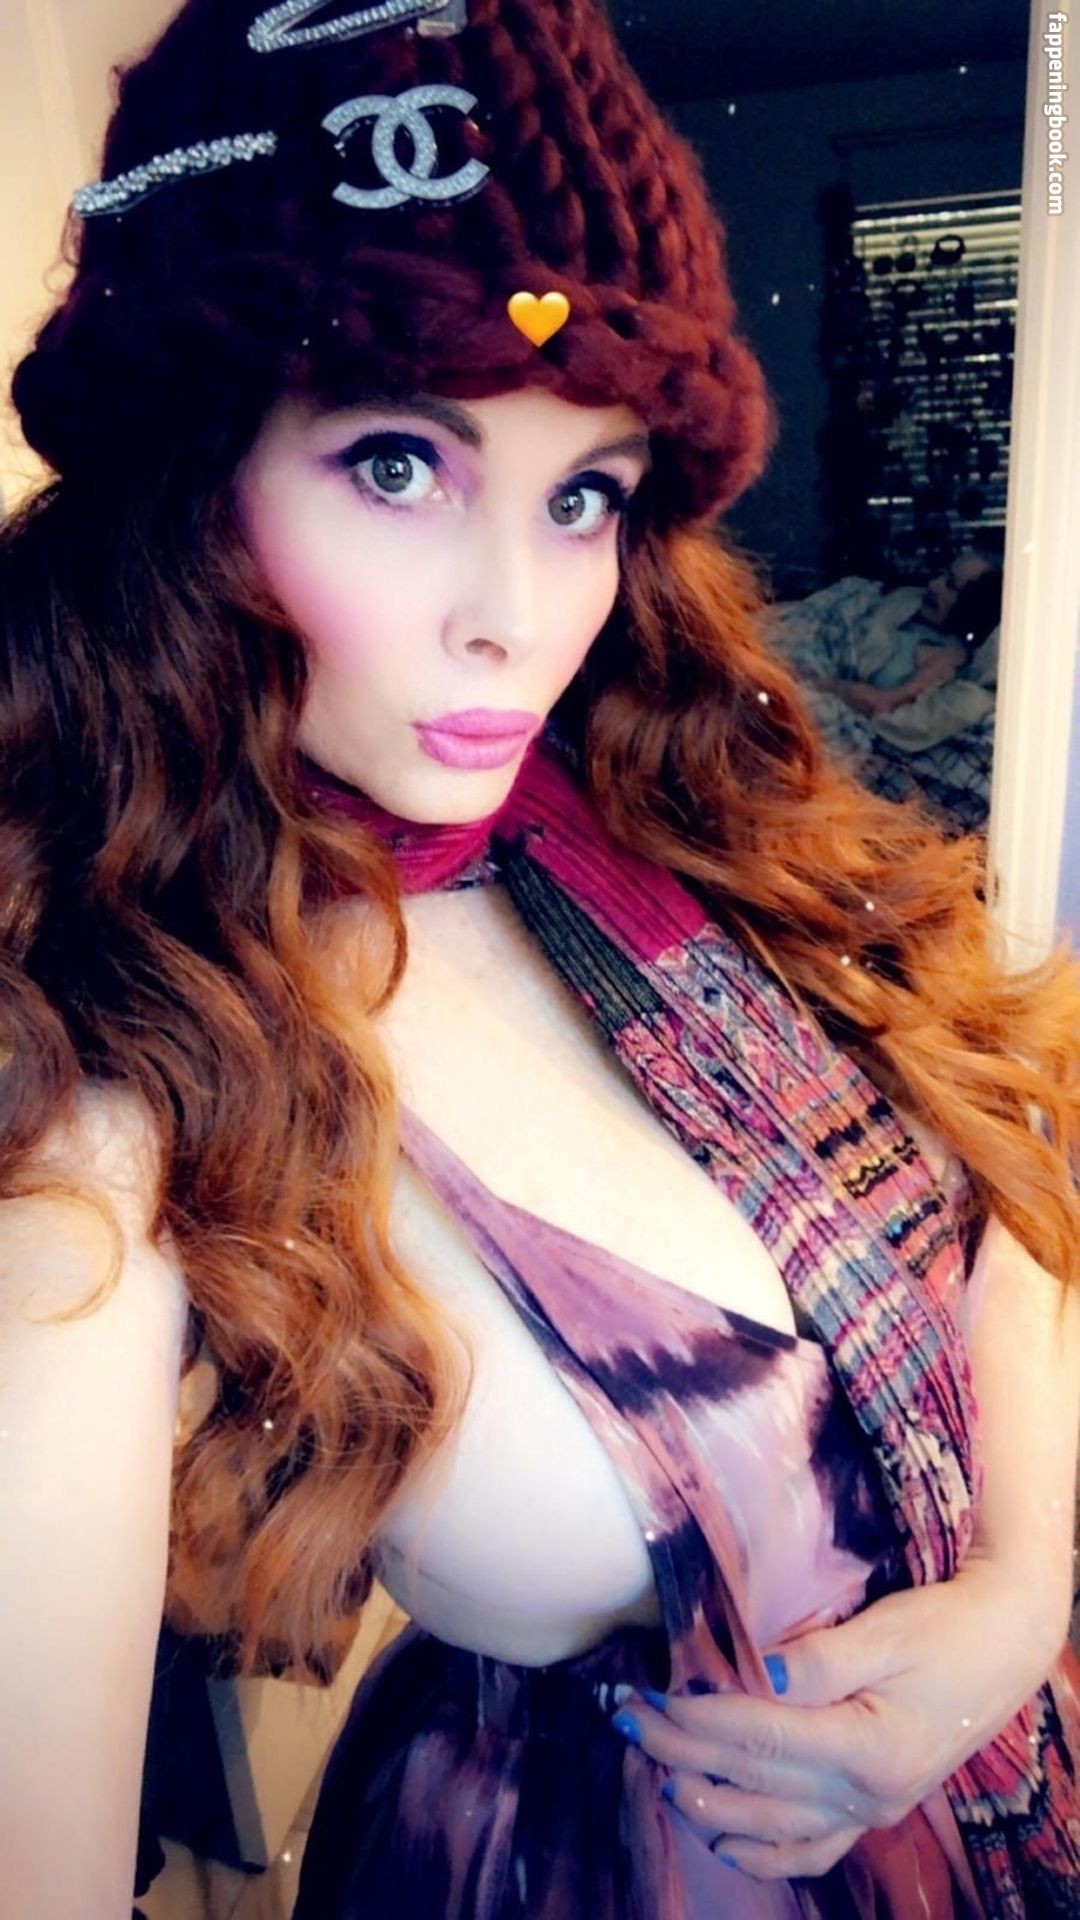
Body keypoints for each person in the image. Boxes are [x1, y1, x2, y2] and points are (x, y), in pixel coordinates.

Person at [1, 3, 1078, 1917]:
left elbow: (1004, 1187)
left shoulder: (664, 816)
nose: (519, 617)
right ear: (189, 481)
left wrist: (1013, 1601)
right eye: (396, 466)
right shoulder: (106, 1096)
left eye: (583, 493)